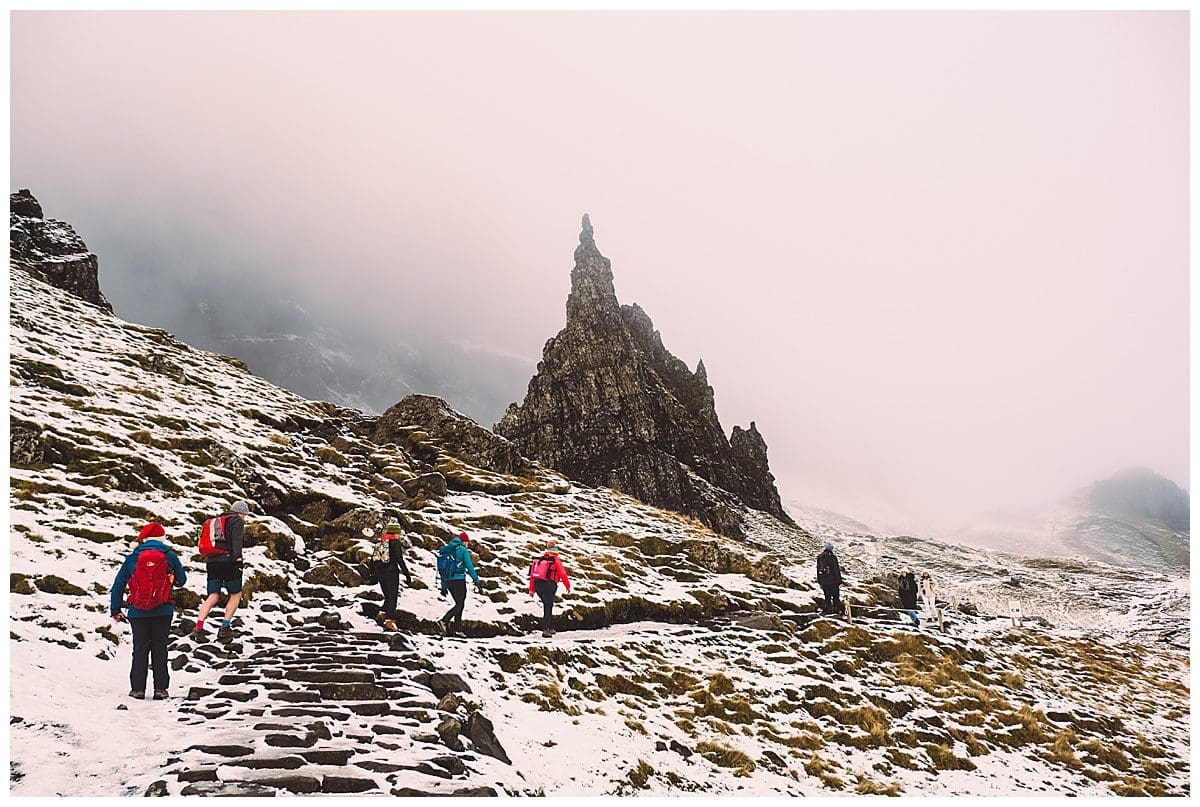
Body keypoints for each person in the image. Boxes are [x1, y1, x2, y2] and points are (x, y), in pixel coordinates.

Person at [110, 522, 187, 700]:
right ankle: (160, 689)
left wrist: (116, 609)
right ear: (162, 538)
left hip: (137, 612)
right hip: (163, 610)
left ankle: (138, 689)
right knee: (160, 648)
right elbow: (181, 581)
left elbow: (118, 584)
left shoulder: (133, 557)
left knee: (140, 649)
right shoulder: (169, 555)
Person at [193, 500, 250, 642]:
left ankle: (198, 627)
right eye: (245, 515)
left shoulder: (216, 521)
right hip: (229, 561)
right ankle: (224, 628)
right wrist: (237, 558)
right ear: (240, 512)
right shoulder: (237, 521)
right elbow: (237, 541)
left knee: (213, 595)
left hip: (212, 561)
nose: (245, 518)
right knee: (235, 594)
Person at [438, 532, 481, 636]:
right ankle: (444, 620)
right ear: (464, 541)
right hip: (459, 580)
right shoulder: (462, 550)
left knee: (459, 604)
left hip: (448, 581)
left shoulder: (448, 549)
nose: (467, 544)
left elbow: (443, 570)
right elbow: (469, 566)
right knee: (460, 604)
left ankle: (458, 630)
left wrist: (443, 587)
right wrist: (476, 580)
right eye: (467, 542)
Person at [372, 523, 412, 632]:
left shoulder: (381, 542)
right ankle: (389, 621)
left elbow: (373, 560)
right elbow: (399, 559)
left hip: (380, 572)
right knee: (393, 596)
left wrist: (374, 574)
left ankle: (382, 614)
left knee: (388, 596)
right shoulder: (395, 542)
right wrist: (407, 575)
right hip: (391, 572)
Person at [528, 540, 571, 638]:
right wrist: (567, 586)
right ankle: (546, 630)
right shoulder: (555, 560)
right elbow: (563, 574)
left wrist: (532, 589)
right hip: (549, 585)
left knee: (547, 605)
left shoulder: (540, 560)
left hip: (538, 585)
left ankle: (550, 627)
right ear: (555, 549)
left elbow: (532, 575)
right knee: (548, 607)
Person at [815, 542, 843, 616]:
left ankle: (827, 610)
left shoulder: (820, 557)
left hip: (824, 581)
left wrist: (820, 582)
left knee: (827, 596)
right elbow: (836, 570)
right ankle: (836, 611)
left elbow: (818, 570)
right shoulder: (832, 557)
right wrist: (839, 581)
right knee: (835, 596)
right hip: (833, 581)